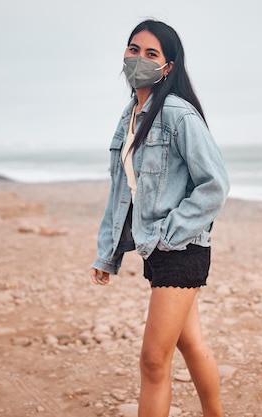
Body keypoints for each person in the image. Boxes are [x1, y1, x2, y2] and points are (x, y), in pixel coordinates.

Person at [90, 19, 230, 417]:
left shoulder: (178, 114)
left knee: (153, 360)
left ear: (168, 66)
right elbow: (122, 191)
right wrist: (108, 254)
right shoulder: (129, 115)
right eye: (133, 49)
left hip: (181, 248)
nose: (139, 58)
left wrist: (168, 234)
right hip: (158, 248)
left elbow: (215, 184)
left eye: (151, 53)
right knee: (191, 344)